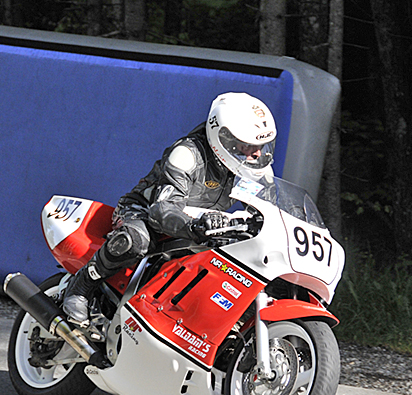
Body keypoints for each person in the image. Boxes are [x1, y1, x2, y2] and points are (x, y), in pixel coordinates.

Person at [62, 92, 278, 323]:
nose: (257, 153)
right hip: (145, 211)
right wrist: (195, 225)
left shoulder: (255, 169)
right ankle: (82, 284)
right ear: (224, 138)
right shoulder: (188, 154)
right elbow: (162, 210)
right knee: (137, 240)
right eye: (248, 145)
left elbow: (270, 213)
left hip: (201, 226)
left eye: (261, 145)